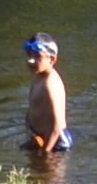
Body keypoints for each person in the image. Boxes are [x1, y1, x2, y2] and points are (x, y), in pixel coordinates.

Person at [19, 36, 71, 169]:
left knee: (50, 176)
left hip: (56, 142)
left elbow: (57, 125)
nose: (30, 60)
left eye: (37, 56)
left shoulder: (50, 84)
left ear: (52, 59)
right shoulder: (39, 76)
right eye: (29, 55)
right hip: (39, 138)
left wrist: (45, 152)